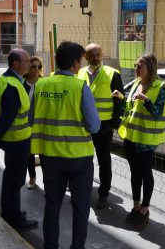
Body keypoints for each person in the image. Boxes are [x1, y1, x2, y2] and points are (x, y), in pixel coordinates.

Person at [31, 41, 100, 248]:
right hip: (79, 159)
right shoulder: (80, 86)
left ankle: (50, 246)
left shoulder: (41, 84)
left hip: (50, 157)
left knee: (52, 204)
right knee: (80, 208)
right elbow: (94, 126)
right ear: (75, 64)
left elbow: (31, 118)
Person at [112, 53, 165, 228]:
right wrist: (122, 99)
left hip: (146, 140)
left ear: (150, 68)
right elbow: (129, 110)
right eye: (135, 65)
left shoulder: (161, 87)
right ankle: (136, 206)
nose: (136, 68)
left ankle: (145, 208)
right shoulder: (137, 84)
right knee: (134, 173)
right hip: (131, 137)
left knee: (145, 174)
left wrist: (146, 100)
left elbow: (157, 112)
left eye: (139, 66)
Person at [0, 48, 38, 231]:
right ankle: (15, 218)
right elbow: (8, 116)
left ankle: (8, 211)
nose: (30, 64)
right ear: (16, 64)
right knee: (15, 181)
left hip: (15, 140)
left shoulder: (9, 80)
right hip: (17, 141)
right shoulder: (13, 86)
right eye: (26, 61)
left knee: (10, 177)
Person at [77, 43, 125, 209]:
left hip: (104, 127)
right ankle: (83, 191)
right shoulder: (80, 73)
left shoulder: (113, 74)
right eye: (92, 55)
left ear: (102, 54)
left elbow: (120, 101)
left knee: (104, 161)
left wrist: (114, 124)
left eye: (98, 54)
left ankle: (103, 194)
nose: (95, 58)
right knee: (84, 160)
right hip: (83, 125)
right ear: (85, 57)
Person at [24, 56, 44, 189]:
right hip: (25, 123)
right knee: (29, 153)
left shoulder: (44, 83)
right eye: (33, 66)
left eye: (39, 67)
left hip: (41, 124)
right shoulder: (21, 83)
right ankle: (32, 178)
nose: (36, 69)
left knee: (43, 153)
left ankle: (48, 182)